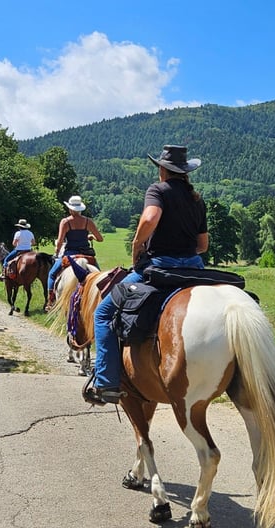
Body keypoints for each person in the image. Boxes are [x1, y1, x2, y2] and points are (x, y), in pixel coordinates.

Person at [84, 145, 209, 405]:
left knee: (103, 313)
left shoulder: (157, 190)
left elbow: (151, 217)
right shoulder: (197, 200)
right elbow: (203, 246)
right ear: (185, 171)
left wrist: (137, 245)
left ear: (162, 169)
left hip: (160, 267)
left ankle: (106, 382)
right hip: (194, 269)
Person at [46, 195, 103, 307]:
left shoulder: (65, 222)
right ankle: (101, 298)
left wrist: (57, 252)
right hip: (86, 255)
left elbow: (60, 241)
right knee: (100, 277)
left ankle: (50, 301)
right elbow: (100, 238)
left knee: (52, 274)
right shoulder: (88, 222)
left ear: (70, 208)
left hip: (70, 254)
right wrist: (91, 236)